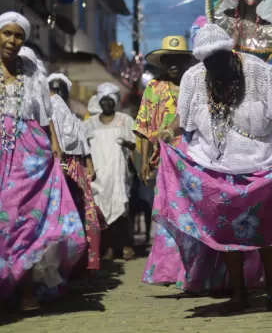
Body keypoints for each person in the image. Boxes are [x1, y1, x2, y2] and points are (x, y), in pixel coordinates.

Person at [143, 24, 272, 312]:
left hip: (261, 162)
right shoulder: (194, 77)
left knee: (265, 227)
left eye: (220, 61)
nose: (215, 68)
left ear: (231, 53)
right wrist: (166, 132)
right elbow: (184, 118)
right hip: (215, 166)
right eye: (208, 64)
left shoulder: (259, 71)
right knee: (226, 232)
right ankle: (239, 292)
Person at [0, 12, 86, 309]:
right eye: (6, 33)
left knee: (22, 218)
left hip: (29, 152)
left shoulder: (32, 72)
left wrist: (54, 145)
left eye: (18, 35)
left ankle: (26, 291)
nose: (12, 40)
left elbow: (46, 115)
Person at [136, 34, 198, 286]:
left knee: (193, 212)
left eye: (179, 59)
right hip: (165, 160)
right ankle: (170, 268)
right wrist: (142, 161)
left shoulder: (196, 86)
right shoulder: (154, 88)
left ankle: (193, 269)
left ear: (187, 62)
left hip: (195, 157)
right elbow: (142, 126)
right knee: (168, 211)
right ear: (162, 61)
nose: (174, 64)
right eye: (169, 59)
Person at [47, 73, 106, 276]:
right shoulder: (49, 110)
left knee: (87, 214)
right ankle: (69, 268)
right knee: (66, 214)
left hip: (77, 167)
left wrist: (89, 164)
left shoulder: (73, 118)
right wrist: (59, 163)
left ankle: (88, 266)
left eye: (61, 89)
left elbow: (82, 144)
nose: (57, 94)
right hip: (60, 165)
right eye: (53, 89)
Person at [85, 83, 136, 261]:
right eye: (103, 100)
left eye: (110, 100)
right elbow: (84, 149)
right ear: (99, 102)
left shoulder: (125, 120)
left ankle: (126, 245)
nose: (107, 103)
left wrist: (125, 143)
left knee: (122, 208)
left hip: (119, 174)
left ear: (115, 102)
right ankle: (109, 248)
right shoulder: (89, 124)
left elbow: (135, 143)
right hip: (99, 175)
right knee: (101, 209)